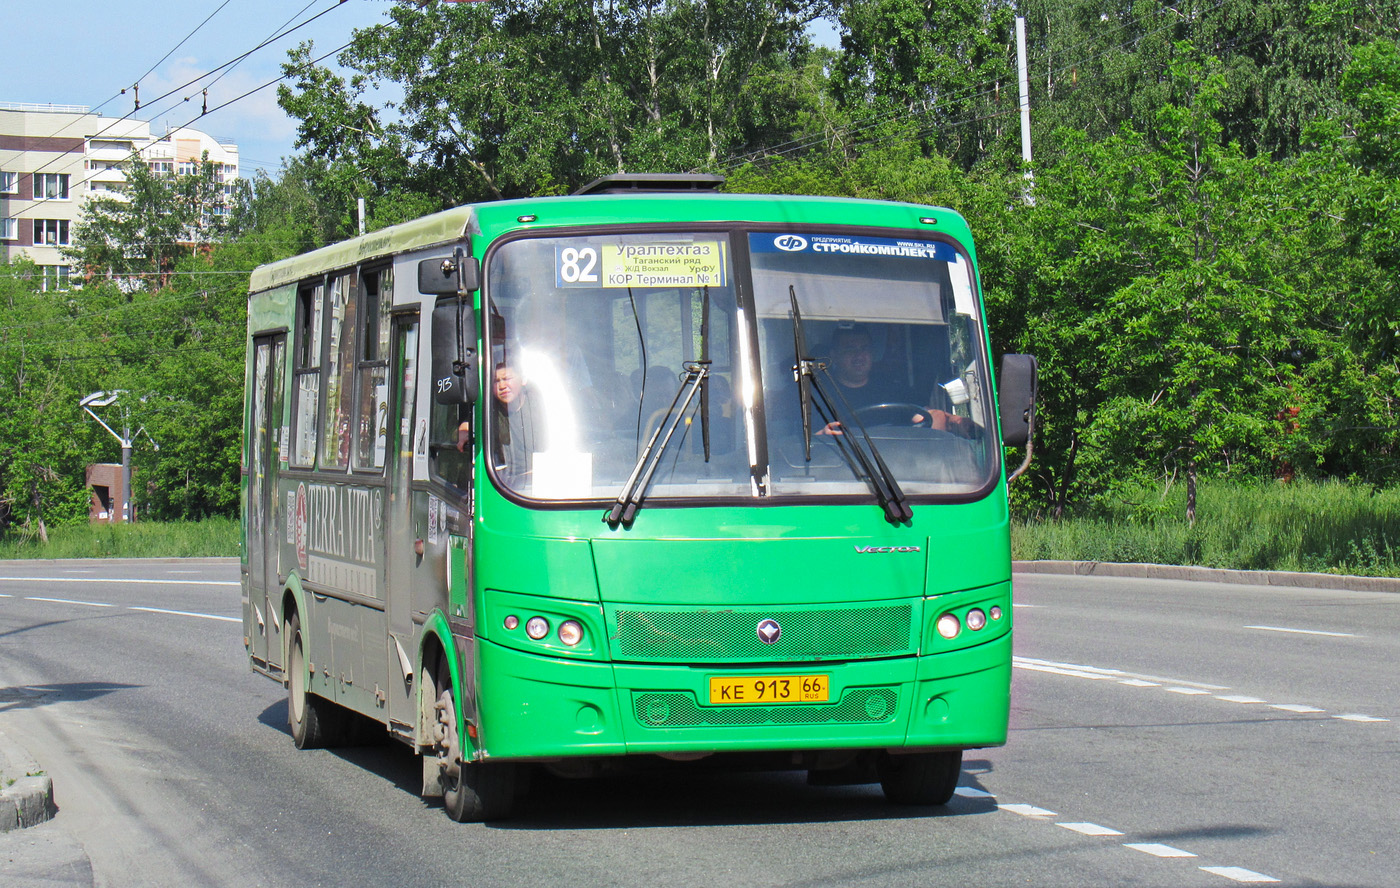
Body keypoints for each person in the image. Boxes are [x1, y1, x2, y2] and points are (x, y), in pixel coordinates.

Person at [818, 327, 973, 437]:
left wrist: (954, 422)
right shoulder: (818, 393)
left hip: (896, 472)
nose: (859, 355)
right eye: (850, 349)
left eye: (864, 348)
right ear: (835, 355)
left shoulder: (891, 389)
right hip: (838, 473)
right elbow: (798, 442)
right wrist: (822, 435)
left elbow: (926, 417)